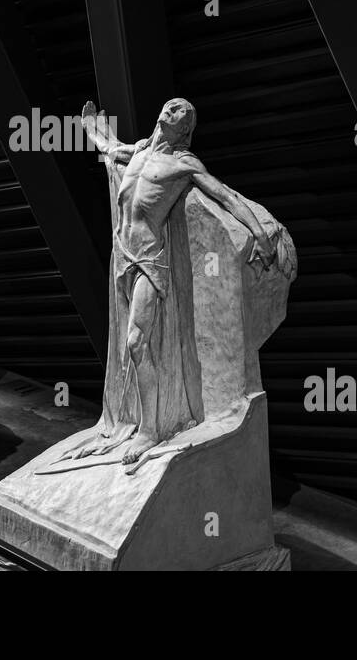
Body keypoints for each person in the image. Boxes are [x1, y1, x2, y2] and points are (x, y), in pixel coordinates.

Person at [64, 98, 277, 466]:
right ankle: (132, 419)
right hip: (123, 258)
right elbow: (113, 153)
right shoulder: (141, 151)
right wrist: (95, 132)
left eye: (182, 111)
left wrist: (258, 233)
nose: (172, 109)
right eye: (171, 105)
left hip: (150, 260)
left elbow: (224, 195)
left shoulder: (184, 163)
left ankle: (150, 430)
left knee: (136, 341)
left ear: (185, 129)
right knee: (124, 346)